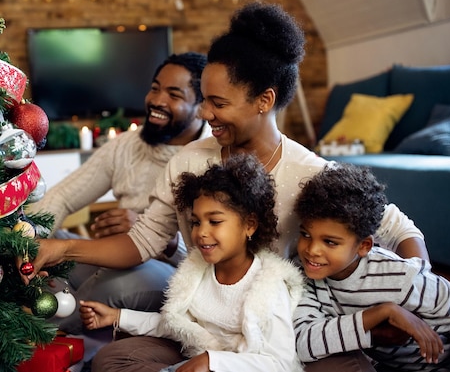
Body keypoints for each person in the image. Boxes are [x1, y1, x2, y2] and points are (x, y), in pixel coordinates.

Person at [24, 2, 430, 368]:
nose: (205, 112)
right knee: (114, 361)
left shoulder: (309, 172)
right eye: (203, 99)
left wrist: (415, 289)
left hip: (278, 335)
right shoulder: (188, 162)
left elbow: (399, 228)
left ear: (264, 100)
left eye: (218, 103)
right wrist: (61, 247)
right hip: (202, 326)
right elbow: (144, 241)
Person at [26, 52, 210, 334]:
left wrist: (168, 242)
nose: (157, 100)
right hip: (115, 257)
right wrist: (24, 240)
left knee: (116, 283)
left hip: (176, 275)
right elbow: (62, 198)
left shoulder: (212, 158)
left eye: (174, 94)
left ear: (201, 107)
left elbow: (217, 258)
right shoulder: (127, 145)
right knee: (49, 238)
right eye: (155, 88)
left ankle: (33, 335)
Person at [80, 154, 305, 372]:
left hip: (237, 367)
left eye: (215, 221)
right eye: (196, 222)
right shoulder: (198, 271)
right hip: (195, 354)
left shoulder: (268, 286)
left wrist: (213, 361)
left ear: (250, 225)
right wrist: (118, 316)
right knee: (109, 358)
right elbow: (176, 325)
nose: (201, 233)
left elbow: (280, 364)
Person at [293, 163, 450, 371]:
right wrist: (382, 312)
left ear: (364, 246)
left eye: (330, 242)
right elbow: (303, 343)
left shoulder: (402, 278)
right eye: (306, 235)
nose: (312, 250)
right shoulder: (303, 277)